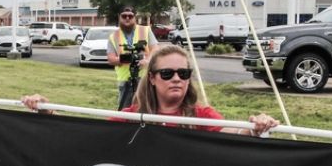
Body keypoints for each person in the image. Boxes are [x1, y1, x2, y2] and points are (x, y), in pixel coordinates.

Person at [22, 45, 278, 137]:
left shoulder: (202, 116)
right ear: (153, 78)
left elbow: (233, 133)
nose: (176, 79)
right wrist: (48, 112)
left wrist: (255, 127)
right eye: (167, 73)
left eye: (183, 73)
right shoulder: (131, 116)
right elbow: (88, 136)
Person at [107, 5, 158, 109]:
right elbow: (111, 59)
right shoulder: (113, 36)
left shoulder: (146, 30)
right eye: (124, 16)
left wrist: (147, 61)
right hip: (124, 81)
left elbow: (156, 49)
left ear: (135, 17)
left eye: (130, 16)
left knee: (147, 108)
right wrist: (125, 59)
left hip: (145, 79)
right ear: (119, 16)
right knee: (125, 111)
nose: (127, 18)